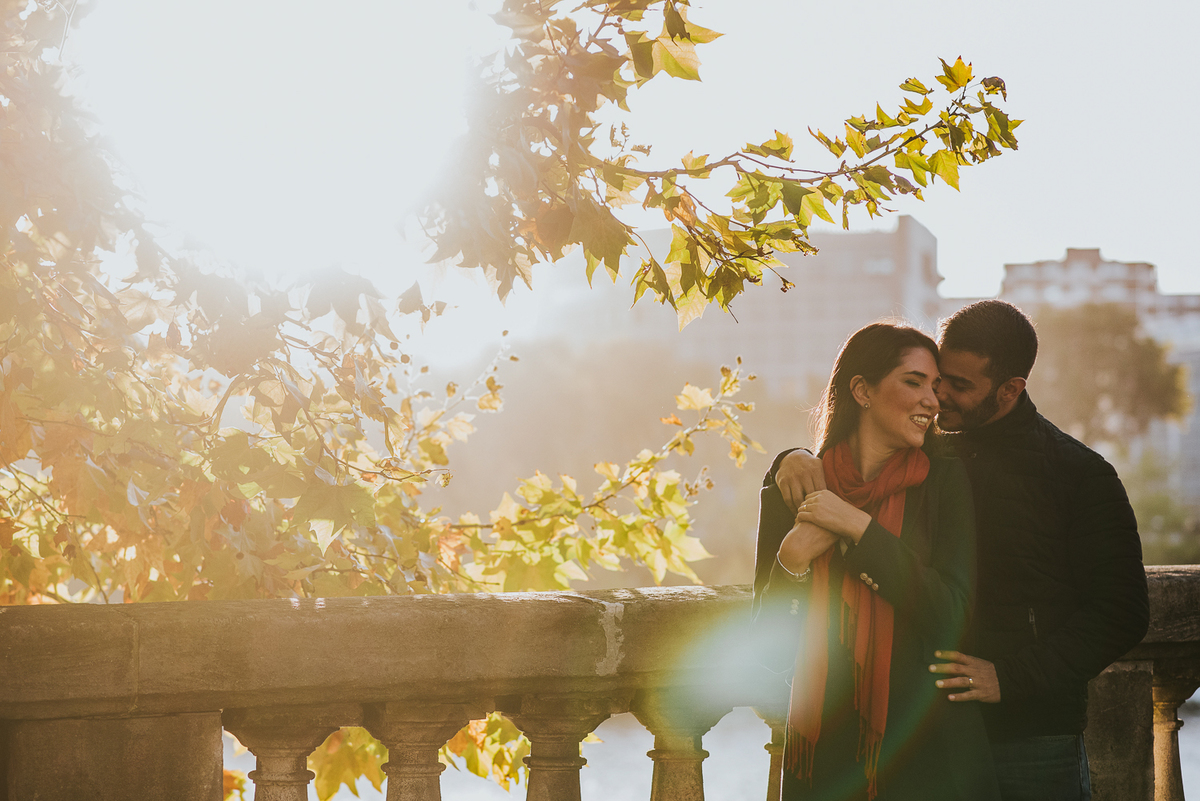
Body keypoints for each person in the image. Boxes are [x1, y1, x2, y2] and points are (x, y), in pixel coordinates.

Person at [772, 300, 1150, 801]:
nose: (938, 396)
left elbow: (1122, 612)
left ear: (1010, 389)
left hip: (1028, 732)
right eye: (933, 379)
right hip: (930, 730)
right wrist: (791, 457)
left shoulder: (1077, 473)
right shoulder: (928, 457)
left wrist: (1009, 678)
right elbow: (856, 455)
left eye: (957, 385)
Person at [753, 322, 1000, 801]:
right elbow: (768, 653)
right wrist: (793, 559)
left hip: (931, 756)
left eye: (935, 386)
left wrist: (860, 530)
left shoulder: (944, 483)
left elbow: (952, 615)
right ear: (862, 391)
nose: (933, 400)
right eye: (914, 382)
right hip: (825, 759)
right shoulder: (795, 487)